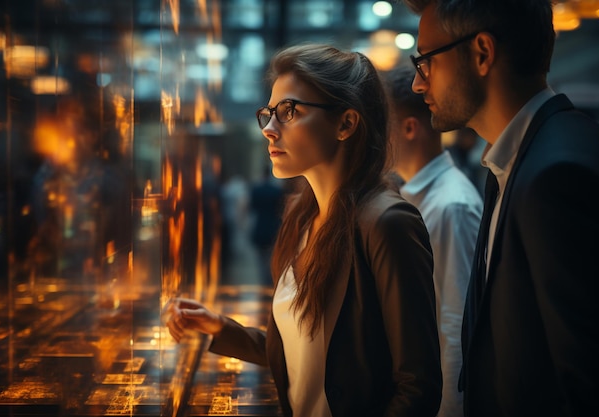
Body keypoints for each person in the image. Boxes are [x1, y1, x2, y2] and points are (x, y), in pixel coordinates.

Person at [165, 43, 442, 417]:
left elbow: (417, 387)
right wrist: (220, 328)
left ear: (346, 123)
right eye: (268, 113)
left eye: (289, 111)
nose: (269, 129)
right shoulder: (302, 217)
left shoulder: (387, 223)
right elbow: (309, 356)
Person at [399, 1, 599, 416]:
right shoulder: (514, 159)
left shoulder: (557, 172)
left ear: (481, 53)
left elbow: (588, 385)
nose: (419, 85)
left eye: (426, 62)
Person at [384, 64, 482, 417]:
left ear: (409, 128)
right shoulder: (414, 197)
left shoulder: (452, 205)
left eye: (382, 127)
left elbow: (457, 326)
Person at [249, 164, 286, 287]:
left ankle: (263, 282)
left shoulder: (256, 190)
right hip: (273, 227)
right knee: (271, 258)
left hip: (260, 226)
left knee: (260, 258)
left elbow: (252, 207)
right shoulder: (277, 191)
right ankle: (269, 281)